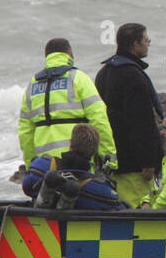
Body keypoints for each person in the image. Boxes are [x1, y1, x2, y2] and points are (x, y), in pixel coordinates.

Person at [18, 38, 116, 167]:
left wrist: (31, 164)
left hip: (44, 163)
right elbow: (99, 118)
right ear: (69, 54)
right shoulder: (78, 78)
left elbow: (25, 132)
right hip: (77, 161)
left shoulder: (33, 84)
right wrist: (109, 158)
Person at [95, 23, 164, 207]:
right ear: (135, 44)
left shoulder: (103, 74)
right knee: (139, 211)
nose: (149, 42)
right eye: (145, 39)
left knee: (118, 207)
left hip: (113, 162)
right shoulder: (134, 76)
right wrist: (149, 161)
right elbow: (142, 122)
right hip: (135, 166)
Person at [22, 124, 124, 210]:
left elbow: (26, 187)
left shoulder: (40, 166)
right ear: (94, 152)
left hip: (38, 226)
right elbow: (120, 209)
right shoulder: (101, 191)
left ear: (70, 143)